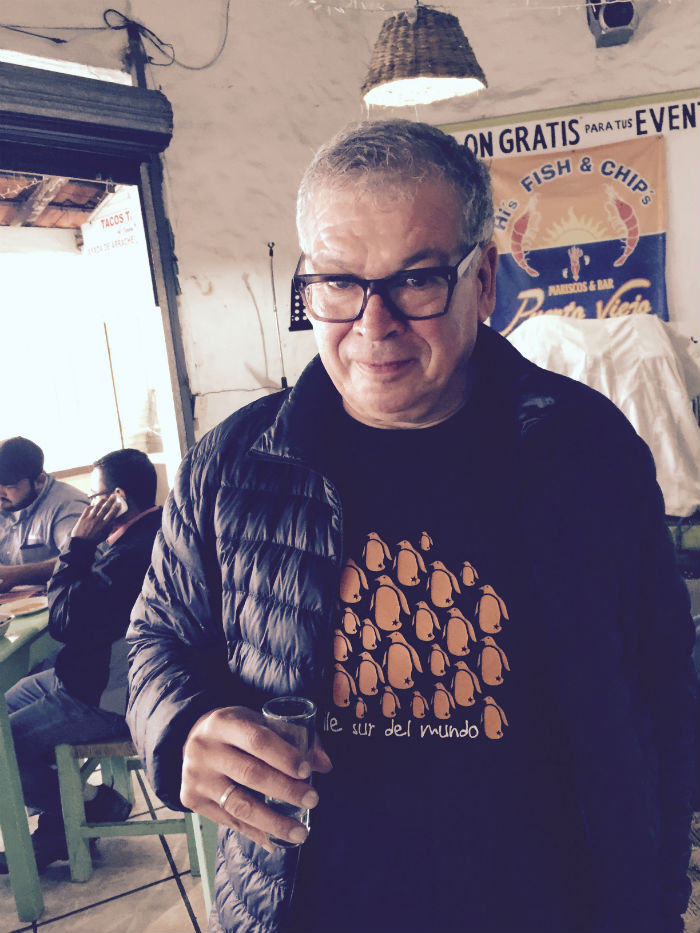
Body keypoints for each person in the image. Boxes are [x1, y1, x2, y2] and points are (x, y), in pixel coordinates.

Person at [126, 121, 698, 933]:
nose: (373, 322)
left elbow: (665, 684)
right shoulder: (233, 465)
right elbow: (156, 640)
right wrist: (179, 725)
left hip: (558, 905)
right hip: (313, 909)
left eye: (417, 279)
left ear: (484, 279)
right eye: (338, 282)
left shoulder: (587, 448)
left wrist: (655, 896)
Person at [0, 448, 162, 873]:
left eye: (95, 498)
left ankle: (77, 814)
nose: (89, 507)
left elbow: (64, 622)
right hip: (84, 676)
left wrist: (80, 544)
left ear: (118, 500)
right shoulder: (142, 533)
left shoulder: (131, 555)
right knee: (10, 699)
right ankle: (81, 808)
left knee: (3, 748)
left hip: (105, 695)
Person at [0, 436, 88, 592]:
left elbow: (81, 559)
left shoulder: (68, 505)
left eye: (8, 485)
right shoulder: (7, 502)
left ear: (39, 480)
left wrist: (16, 575)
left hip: (57, 607)